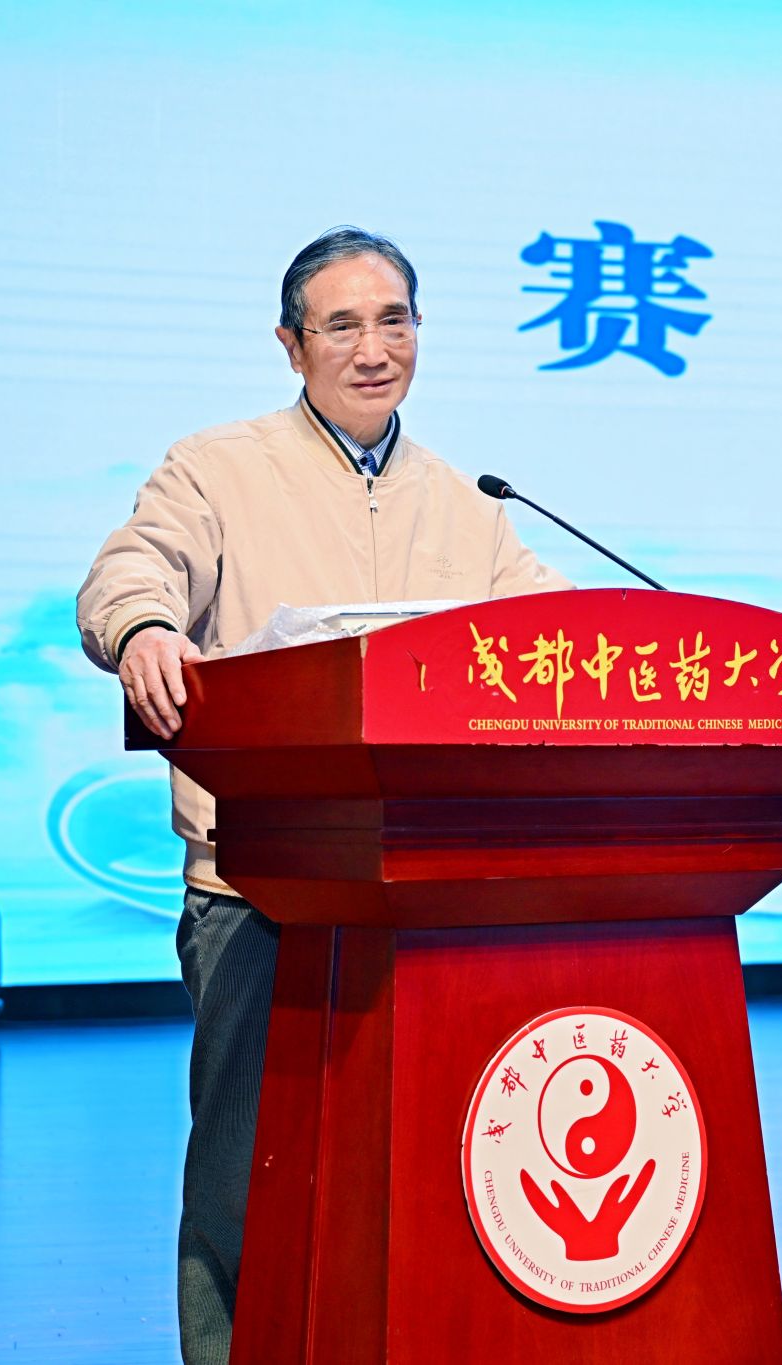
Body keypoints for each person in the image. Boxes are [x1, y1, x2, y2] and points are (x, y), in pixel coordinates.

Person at [77, 226, 568, 1365]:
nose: (372, 349)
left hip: (427, 893)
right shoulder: (217, 468)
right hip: (262, 884)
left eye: (394, 321)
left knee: (420, 1162)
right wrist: (144, 629)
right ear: (291, 345)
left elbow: (547, 629)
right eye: (341, 325)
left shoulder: (465, 501)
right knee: (248, 1166)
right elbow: (129, 569)